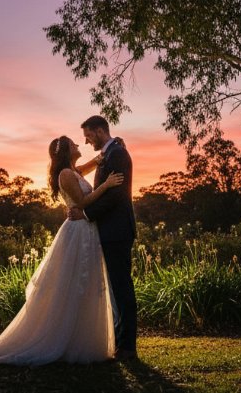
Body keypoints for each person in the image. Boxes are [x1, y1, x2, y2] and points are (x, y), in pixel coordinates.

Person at [0, 135, 124, 366]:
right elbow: (82, 202)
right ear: (66, 152)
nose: (78, 145)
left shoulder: (73, 171)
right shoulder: (65, 174)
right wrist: (107, 185)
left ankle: (80, 341)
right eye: (74, 144)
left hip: (86, 231)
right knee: (73, 283)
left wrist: (105, 152)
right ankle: (60, 339)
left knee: (86, 283)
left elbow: (90, 165)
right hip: (78, 231)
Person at [68, 115, 138, 361]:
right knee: (117, 289)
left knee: (122, 288)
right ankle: (122, 343)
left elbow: (116, 197)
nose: (87, 142)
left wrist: (85, 213)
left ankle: (128, 347)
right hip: (109, 230)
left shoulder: (117, 154)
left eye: (88, 136)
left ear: (99, 131)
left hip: (117, 231)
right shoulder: (109, 154)